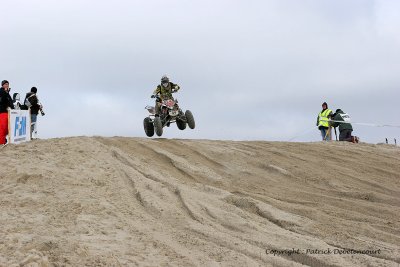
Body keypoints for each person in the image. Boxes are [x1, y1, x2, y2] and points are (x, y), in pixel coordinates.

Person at [0, 80, 14, 144]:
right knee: (3, 128)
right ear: (2, 85)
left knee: (6, 128)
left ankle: (4, 140)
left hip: (7, 112)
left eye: (7, 84)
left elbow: (10, 101)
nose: (7, 85)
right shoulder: (1, 91)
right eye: (5, 84)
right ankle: (1, 142)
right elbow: (2, 100)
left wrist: (12, 107)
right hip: (2, 112)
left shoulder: (6, 92)